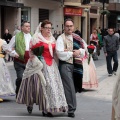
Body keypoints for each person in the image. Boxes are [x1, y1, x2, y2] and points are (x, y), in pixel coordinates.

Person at [16, 20, 67, 116]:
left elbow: (55, 51)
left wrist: (63, 51)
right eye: (46, 28)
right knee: (44, 86)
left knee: (54, 85)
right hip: (41, 64)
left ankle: (58, 105)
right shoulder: (36, 39)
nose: (49, 30)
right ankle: (46, 108)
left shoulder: (52, 39)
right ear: (41, 28)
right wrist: (36, 60)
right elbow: (31, 51)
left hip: (52, 64)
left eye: (50, 28)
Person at [56, 18, 86, 117]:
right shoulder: (60, 38)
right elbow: (60, 53)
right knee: (69, 87)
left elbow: (84, 49)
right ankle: (71, 109)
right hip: (65, 65)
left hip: (77, 65)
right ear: (64, 27)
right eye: (67, 26)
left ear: (73, 27)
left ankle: (66, 105)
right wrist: (72, 53)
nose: (69, 28)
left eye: (70, 26)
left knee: (75, 86)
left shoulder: (77, 37)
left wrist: (79, 52)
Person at [8, 21, 32, 97]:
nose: (28, 27)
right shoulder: (16, 37)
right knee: (20, 77)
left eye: (29, 26)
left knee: (29, 78)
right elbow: (9, 48)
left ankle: (27, 94)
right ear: (22, 28)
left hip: (30, 61)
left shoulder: (32, 36)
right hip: (19, 61)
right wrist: (14, 53)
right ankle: (18, 90)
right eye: (26, 26)